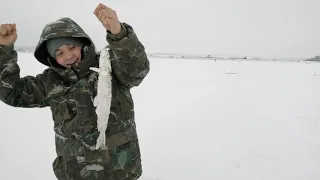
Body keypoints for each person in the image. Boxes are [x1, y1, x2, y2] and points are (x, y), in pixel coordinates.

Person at [0, 3, 150, 180]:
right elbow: (12, 93)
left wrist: (119, 33)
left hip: (122, 172)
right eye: (60, 52)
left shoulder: (109, 65)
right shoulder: (49, 82)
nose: (68, 55)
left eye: (72, 47)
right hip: (75, 175)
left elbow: (136, 69)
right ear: (52, 58)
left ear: (83, 44)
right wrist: (4, 51)